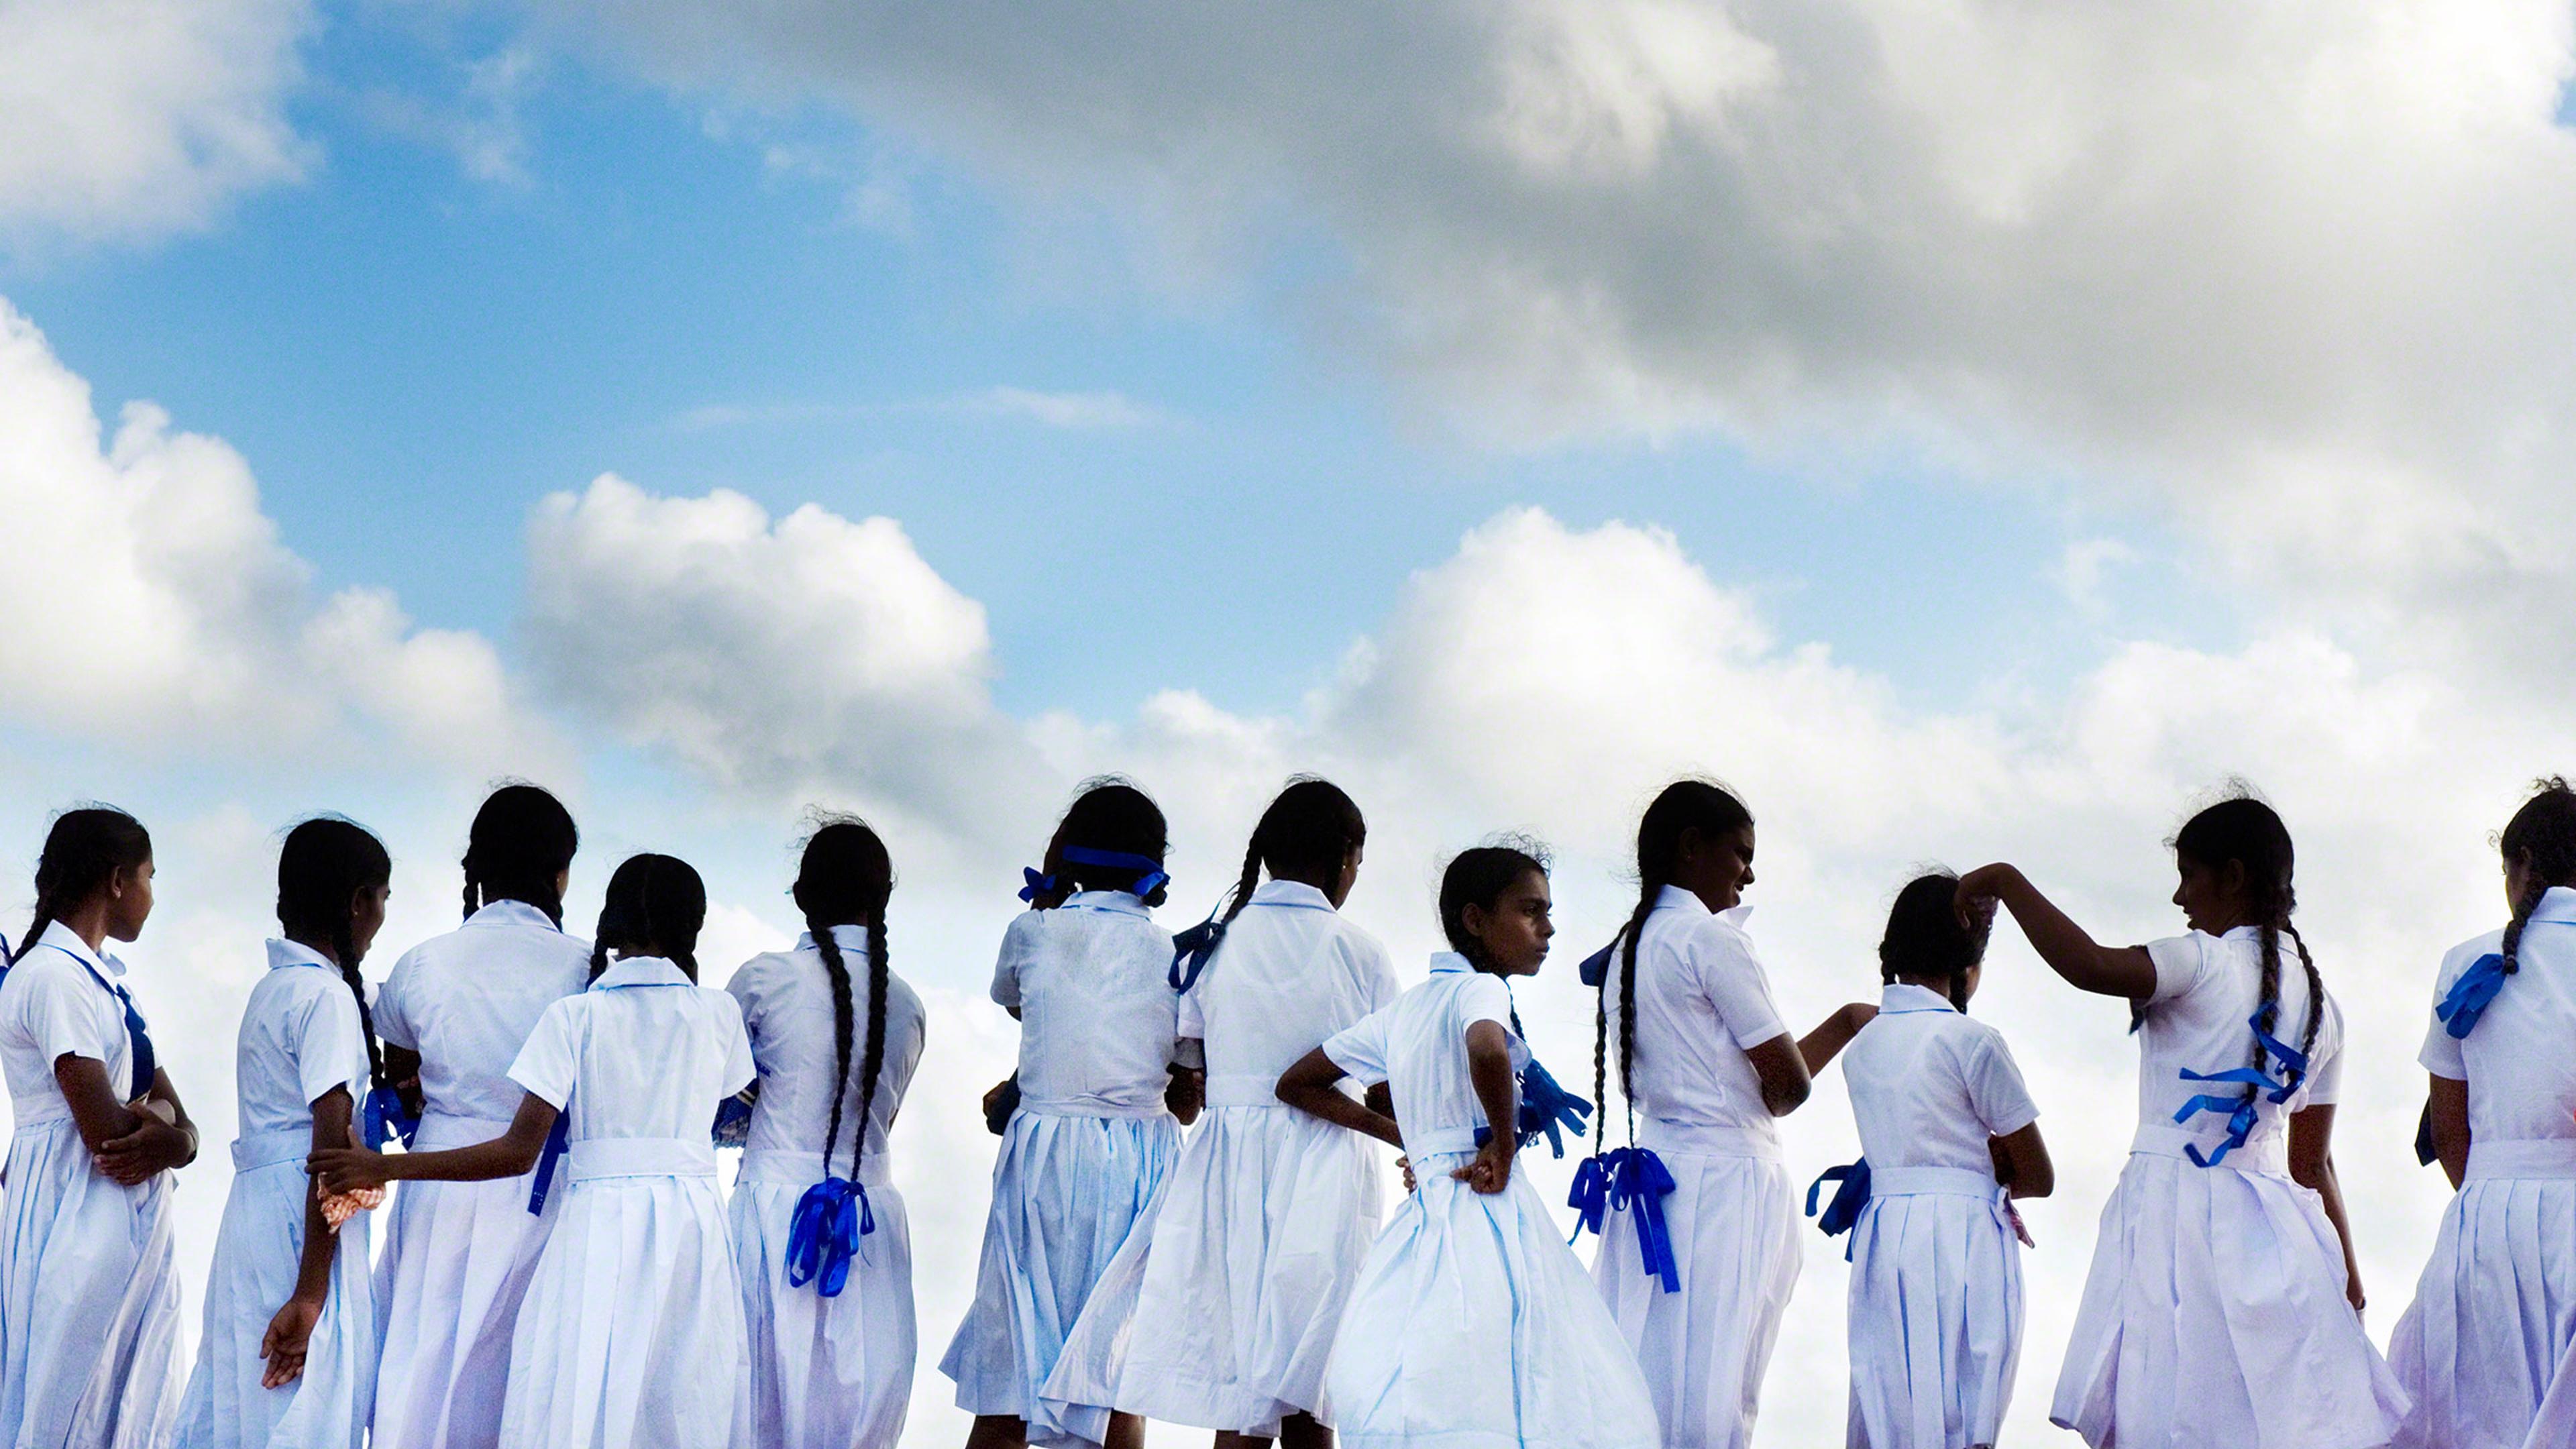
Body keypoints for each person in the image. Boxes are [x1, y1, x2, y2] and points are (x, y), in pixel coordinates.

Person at [1956, 792, 2406, 1446]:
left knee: (2171, 1415)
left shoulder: (2200, 960)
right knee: (2258, 1421)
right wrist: (2350, 1287)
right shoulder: (2325, 1008)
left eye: (2188, 875)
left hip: (2176, 1214)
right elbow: (2313, 1164)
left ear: (2233, 877)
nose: (2179, 898)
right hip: (2280, 1234)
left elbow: (2088, 964)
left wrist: (2006, 880)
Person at [313, 853, 756, 1448]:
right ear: (694, 927)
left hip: (599, 1226)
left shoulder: (576, 1016)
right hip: (693, 1230)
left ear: (612, 922)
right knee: (683, 1395)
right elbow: (728, 1115)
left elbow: (518, 1152)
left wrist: (384, 1164)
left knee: (580, 1393)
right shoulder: (720, 1013)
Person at [1046, 779, 1397, 1449]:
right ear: (1344, 859)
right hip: (1326, 1166)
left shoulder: (1213, 946)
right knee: (1313, 1387)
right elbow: (1384, 1080)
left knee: (1238, 1392)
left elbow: (1191, 1065)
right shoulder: (1360, 950)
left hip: (1228, 1172)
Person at [1277, 842, 1660, 1449]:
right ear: (1476, 920)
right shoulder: (1482, 991)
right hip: (1487, 1207)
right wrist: (1503, 1145)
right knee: (1522, 1380)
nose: (1549, 928)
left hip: (1427, 1211)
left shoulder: (1402, 1012)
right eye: (1531, 911)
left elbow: (1297, 1083)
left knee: (1429, 1376)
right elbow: (1485, 1048)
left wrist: (1411, 1139)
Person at [1578, 781, 1837, 1449]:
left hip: (1657, 1175)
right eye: (1740, 854)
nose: (1749, 873)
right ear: (1692, 848)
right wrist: (1844, 1027)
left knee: (1649, 1365)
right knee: (1723, 1376)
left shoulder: (1627, 949)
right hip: (1728, 1177)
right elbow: (1785, 1087)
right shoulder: (1712, 940)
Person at [942, 780, 1195, 1449]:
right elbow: (1186, 1097)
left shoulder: (1031, 931)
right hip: (1140, 1166)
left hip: (1044, 1159)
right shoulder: (1177, 956)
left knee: (1009, 1369)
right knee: (1114, 1377)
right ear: (1154, 862)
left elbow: (1030, 1011)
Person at [366, 783, 588, 1449]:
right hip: (548, 1190)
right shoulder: (587, 967)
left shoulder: (421, 964)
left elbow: (400, 1073)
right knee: (530, 1383)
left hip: (436, 1184)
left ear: (479, 870)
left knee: (424, 1374)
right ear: (561, 873)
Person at [176, 818, 394, 1449]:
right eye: (381, 897)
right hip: (303, 1225)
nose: (382, 915)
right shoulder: (324, 997)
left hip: (257, 1211)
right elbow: (329, 1149)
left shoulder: (275, 988)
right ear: (357, 901)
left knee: (249, 1401)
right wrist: (309, 1291)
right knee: (305, 1404)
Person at [1819, 872, 2050, 1449]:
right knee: (1962, 1403)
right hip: (1963, 1237)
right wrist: (1991, 1162)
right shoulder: (1972, 1042)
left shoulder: (1865, 1047)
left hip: (1884, 1235)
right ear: (1968, 958)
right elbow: (2039, 1177)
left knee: (1889, 1403)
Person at [0, 805, 197, 1449]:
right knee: (66, 1393)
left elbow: (178, 1122)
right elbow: (110, 1137)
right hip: (71, 1208)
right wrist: (165, 1134)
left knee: (126, 1401)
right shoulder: (54, 976)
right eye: (149, 876)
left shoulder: (108, 983)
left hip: (120, 1213)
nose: (150, 894)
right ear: (118, 882)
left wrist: (171, 1135)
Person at [728, 816, 927, 1449]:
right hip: (870, 1226)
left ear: (800, 894)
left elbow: (720, 1105)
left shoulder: (761, 981)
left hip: (771, 1218)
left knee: (754, 1410)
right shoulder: (910, 1004)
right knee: (858, 1417)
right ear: (885, 899)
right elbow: (880, 1118)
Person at [2389, 777, 2576, 1449]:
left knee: (2478, 1420)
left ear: (2521, 865)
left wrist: (2489, 1194)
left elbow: (2447, 1128)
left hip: (2485, 1219)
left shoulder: (2467, 961)